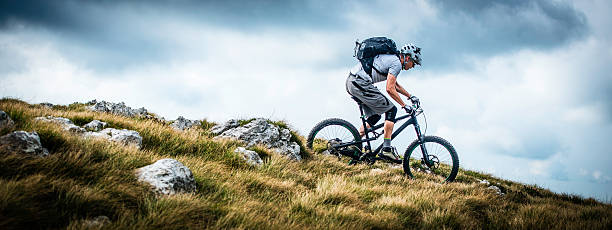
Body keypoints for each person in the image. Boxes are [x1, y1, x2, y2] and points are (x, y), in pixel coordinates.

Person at [345, 43, 422, 160]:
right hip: (359, 83)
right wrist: (404, 105)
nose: (413, 66)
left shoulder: (393, 60)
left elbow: (395, 85)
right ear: (407, 58)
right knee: (392, 110)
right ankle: (386, 149)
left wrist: (410, 96)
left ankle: (352, 144)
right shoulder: (396, 63)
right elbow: (389, 88)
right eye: (413, 62)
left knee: (375, 117)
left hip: (354, 81)